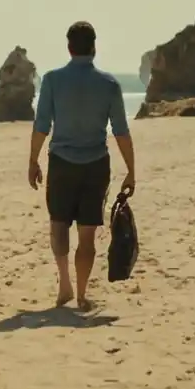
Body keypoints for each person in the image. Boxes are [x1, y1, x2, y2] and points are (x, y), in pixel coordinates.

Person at [28, 22, 135, 311]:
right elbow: (121, 131)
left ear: (69, 47)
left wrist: (33, 160)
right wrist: (131, 171)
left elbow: (41, 126)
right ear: (94, 47)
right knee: (87, 234)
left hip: (62, 164)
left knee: (58, 225)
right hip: (95, 165)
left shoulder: (51, 80)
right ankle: (83, 294)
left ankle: (65, 283)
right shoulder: (109, 85)